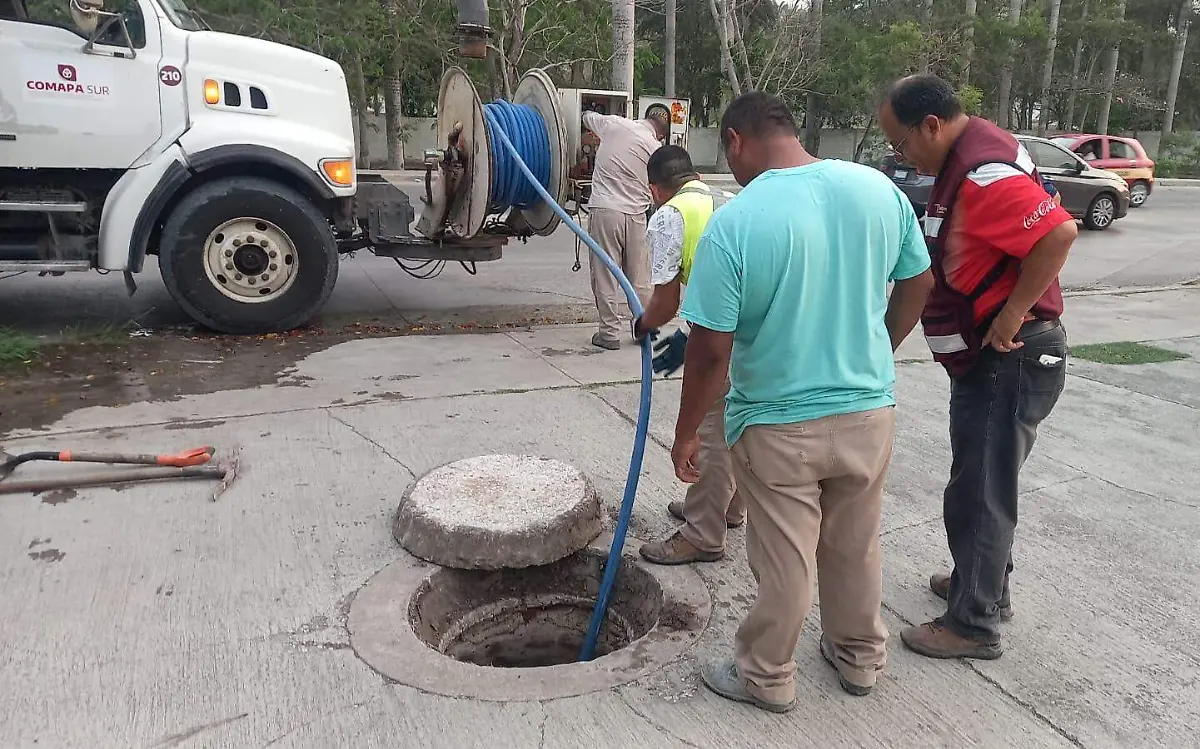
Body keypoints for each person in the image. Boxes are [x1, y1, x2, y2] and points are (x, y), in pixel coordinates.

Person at [672, 91, 934, 711]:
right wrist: (877, 348)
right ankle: (859, 659)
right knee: (854, 543)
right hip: (869, 409)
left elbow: (709, 350)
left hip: (777, 422)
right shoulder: (877, 191)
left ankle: (765, 677)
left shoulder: (735, 221)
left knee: (786, 558)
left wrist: (686, 435)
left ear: (735, 140)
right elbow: (919, 280)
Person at [877, 75, 1077, 661]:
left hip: (1008, 361)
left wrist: (1013, 314)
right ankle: (983, 586)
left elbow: (1058, 232)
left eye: (902, 142)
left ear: (931, 126)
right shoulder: (974, 155)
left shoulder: (983, 174)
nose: (901, 155)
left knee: (980, 493)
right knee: (985, 484)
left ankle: (973, 623)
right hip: (997, 362)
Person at [630, 145, 743, 566]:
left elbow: (665, 301)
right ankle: (726, 507)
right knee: (739, 425)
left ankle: (703, 533)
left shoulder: (669, 216)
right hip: (752, 335)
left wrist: (642, 325)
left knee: (710, 432)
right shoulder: (725, 200)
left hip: (720, 336)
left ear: (655, 188)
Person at [580, 107, 670, 350]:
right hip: (637, 216)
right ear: (661, 134)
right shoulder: (657, 150)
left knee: (605, 273)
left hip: (606, 210)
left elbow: (587, 117)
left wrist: (587, 116)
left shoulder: (615, 124)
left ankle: (609, 333)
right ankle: (644, 330)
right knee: (639, 278)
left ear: (644, 118)